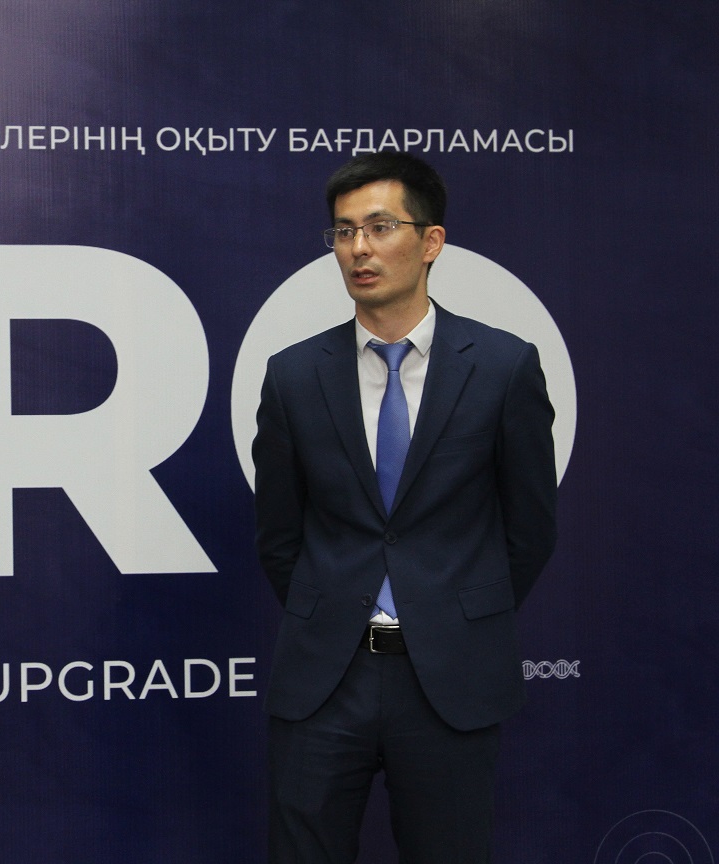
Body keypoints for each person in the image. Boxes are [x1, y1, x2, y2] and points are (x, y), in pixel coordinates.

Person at [252, 152, 557, 862]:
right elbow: (278, 536)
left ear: (430, 242)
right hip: (326, 677)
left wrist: (452, 612)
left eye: (380, 227)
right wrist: (333, 609)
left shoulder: (503, 367)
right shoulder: (294, 376)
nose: (358, 248)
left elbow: (530, 529)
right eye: (343, 231)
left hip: (450, 676)